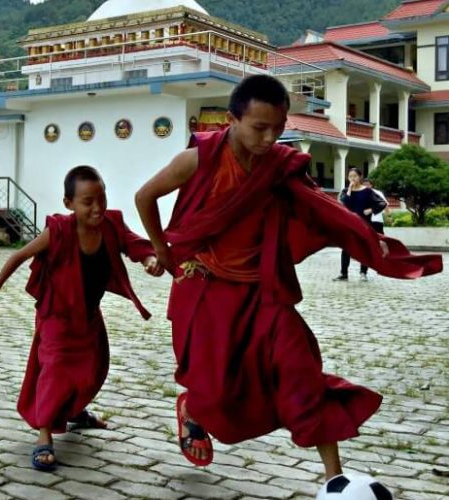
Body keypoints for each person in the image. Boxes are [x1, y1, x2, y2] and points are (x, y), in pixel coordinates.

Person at [134, 75, 441, 480]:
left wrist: (367, 238)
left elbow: (322, 208)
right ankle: (193, 408)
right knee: (217, 393)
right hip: (207, 289)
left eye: (277, 128)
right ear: (232, 119)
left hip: (264, 294)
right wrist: (160, 248)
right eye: (259, 128)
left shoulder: (279, 165)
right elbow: (144, 196)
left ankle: (335, 479)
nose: (269, 138)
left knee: (303, 373)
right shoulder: (199, 159)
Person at [0, 166, 162, 471]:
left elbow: (134, 244)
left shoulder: (111, 224)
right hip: (57, 316)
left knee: (94, 368)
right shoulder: (59, 231)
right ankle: (44, 436)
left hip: (88, 314)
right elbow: (17, 256)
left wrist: (149, 259)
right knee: (55, 370)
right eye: (87, 201)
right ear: (69, 204)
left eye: (101, 199)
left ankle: (75, 411)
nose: (97, 208)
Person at [335, 169, 387, 282]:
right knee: (346, 248)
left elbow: (382, 203)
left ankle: (363, 273)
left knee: (364, 248)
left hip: (364, 224)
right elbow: (344, 204)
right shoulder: (345, 191)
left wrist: (371, 210)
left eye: (355, 176)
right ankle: (344, 274)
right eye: (350, 176)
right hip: (349, 224)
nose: (352, 178)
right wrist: (349, 189)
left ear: (360, 177)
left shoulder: (367, 191)